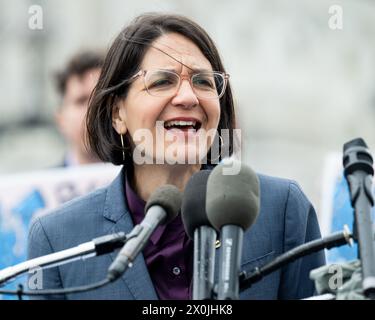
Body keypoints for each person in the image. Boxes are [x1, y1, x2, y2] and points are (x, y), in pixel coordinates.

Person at [27, 13, 325, 300]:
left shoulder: (282, 209)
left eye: (203, 81)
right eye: (162, 82)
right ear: (118, 114)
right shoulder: (58, 239)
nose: (188, 97)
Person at [54, 51, 104, 166]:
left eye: (101, 98)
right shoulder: (41, 183)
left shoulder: (147, 180)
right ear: (61, 120)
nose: (92, 110)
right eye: (81, 101)